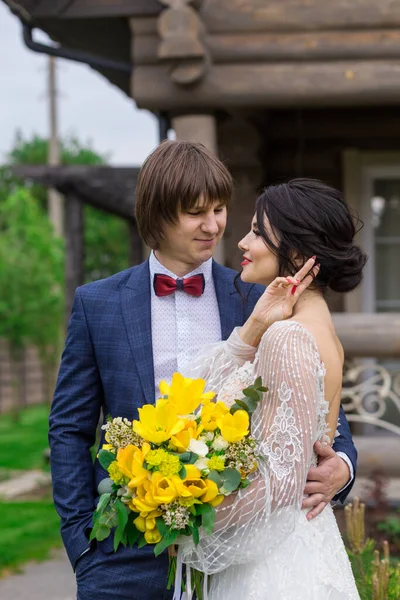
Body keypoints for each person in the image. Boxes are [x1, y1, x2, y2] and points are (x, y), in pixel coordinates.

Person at [49, 142, 357, 600]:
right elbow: (69, 428)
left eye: (219, 209)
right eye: (197, 212)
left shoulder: (263, 297)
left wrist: (343, 469)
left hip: (241, 555)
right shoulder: (99, 304)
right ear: (157, 214)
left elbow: (316, 408)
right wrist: (83, 544)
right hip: (123, 561)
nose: (214, 225)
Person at [180, 178, 367, 599]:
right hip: (299, 543)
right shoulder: (316, 328)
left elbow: (282, 482)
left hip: (276, 564)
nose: (243, 242)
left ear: (297, 251)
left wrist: (186, 515)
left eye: (258, 233)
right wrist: (256, 325)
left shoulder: (290, 337)